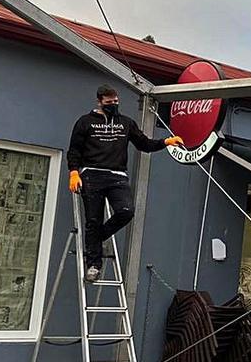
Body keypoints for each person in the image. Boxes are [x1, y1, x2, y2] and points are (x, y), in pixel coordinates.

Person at [66, 84, 182, 282]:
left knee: (126, 211)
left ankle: (97, 238)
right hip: (92, 174)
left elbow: (144, 144)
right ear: (100, 101)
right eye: (109, 102)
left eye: (116, 101)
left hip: (117, 175)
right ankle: (94, 265)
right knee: (93, 219)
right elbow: (74, 149)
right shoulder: (85, 122)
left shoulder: (126, 123)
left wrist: (165, 142)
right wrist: (74, 173)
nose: (113, 105)